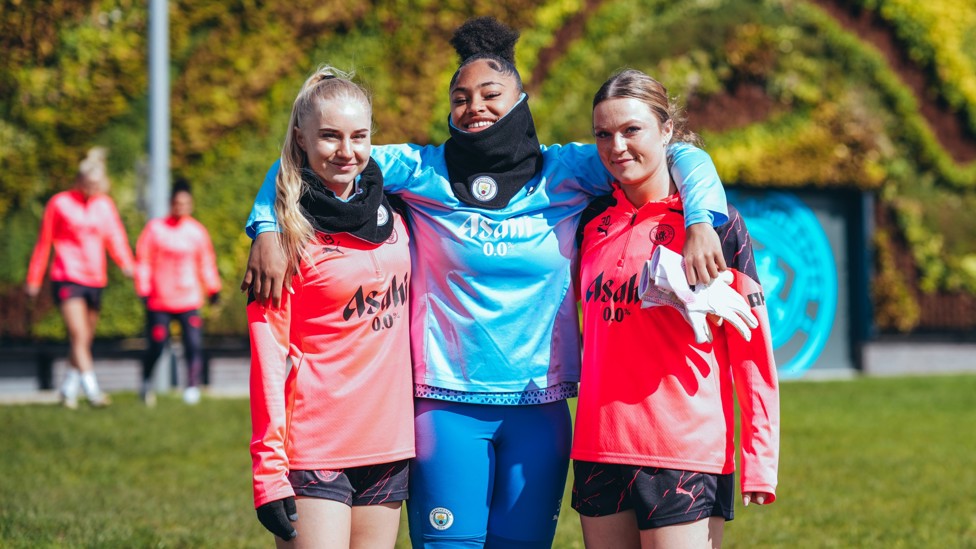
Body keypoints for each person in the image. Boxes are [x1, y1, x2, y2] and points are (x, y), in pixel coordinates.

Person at [243, 18, 733, 548]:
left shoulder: (567, 171)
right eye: (460, 98)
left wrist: (702, 219)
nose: (474, 106)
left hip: (539, 411)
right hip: (446, 408)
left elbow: (679, 152)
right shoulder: (420, 170)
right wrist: (266, 225)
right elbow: (316, 156)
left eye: (490, 94)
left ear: (520, 100)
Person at [571, 68, 779, 549]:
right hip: (598, 446)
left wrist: (760, 459)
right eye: (603, 134)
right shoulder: (590, 218)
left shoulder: (714, 227)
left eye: (631, 130)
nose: (616, 146)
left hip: (684, 451)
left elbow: (753, 351)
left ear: (667, 131)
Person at [247, 66, 415, 548]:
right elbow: (269, 363)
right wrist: (268, 474)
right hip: (314, 448)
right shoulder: (283, 239)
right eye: (329, 136)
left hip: (387, 446)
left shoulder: (395, 207)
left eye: (359, 136)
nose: (347, 151)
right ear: (300, 139)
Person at [26, 147, 135, 409]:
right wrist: (34, 277)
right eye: (89, 184)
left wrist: (126, 264)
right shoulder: (60, 203)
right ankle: (93, 390)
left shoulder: (104, 205)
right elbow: (44, 242)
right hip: (67, 275)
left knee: (84, 339)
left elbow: (115, 237)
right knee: (78, 334)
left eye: (98, 184)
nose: (93, 189)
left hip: (95, 278)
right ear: (79, 180)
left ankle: (67, 389)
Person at [134, 178, 222, 406]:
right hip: (160, 298)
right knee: (157, 344)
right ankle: (146, 382)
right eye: (177, 203)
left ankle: (191, 387)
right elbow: (143, 260)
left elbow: (206, 262)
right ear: (171, 203)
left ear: (190, 204)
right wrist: (143, 288)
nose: (181, 207)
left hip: (189, 298)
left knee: (193, 344)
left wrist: (213, 288)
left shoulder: (197, 232)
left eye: (185, 203)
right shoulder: (155, 229)